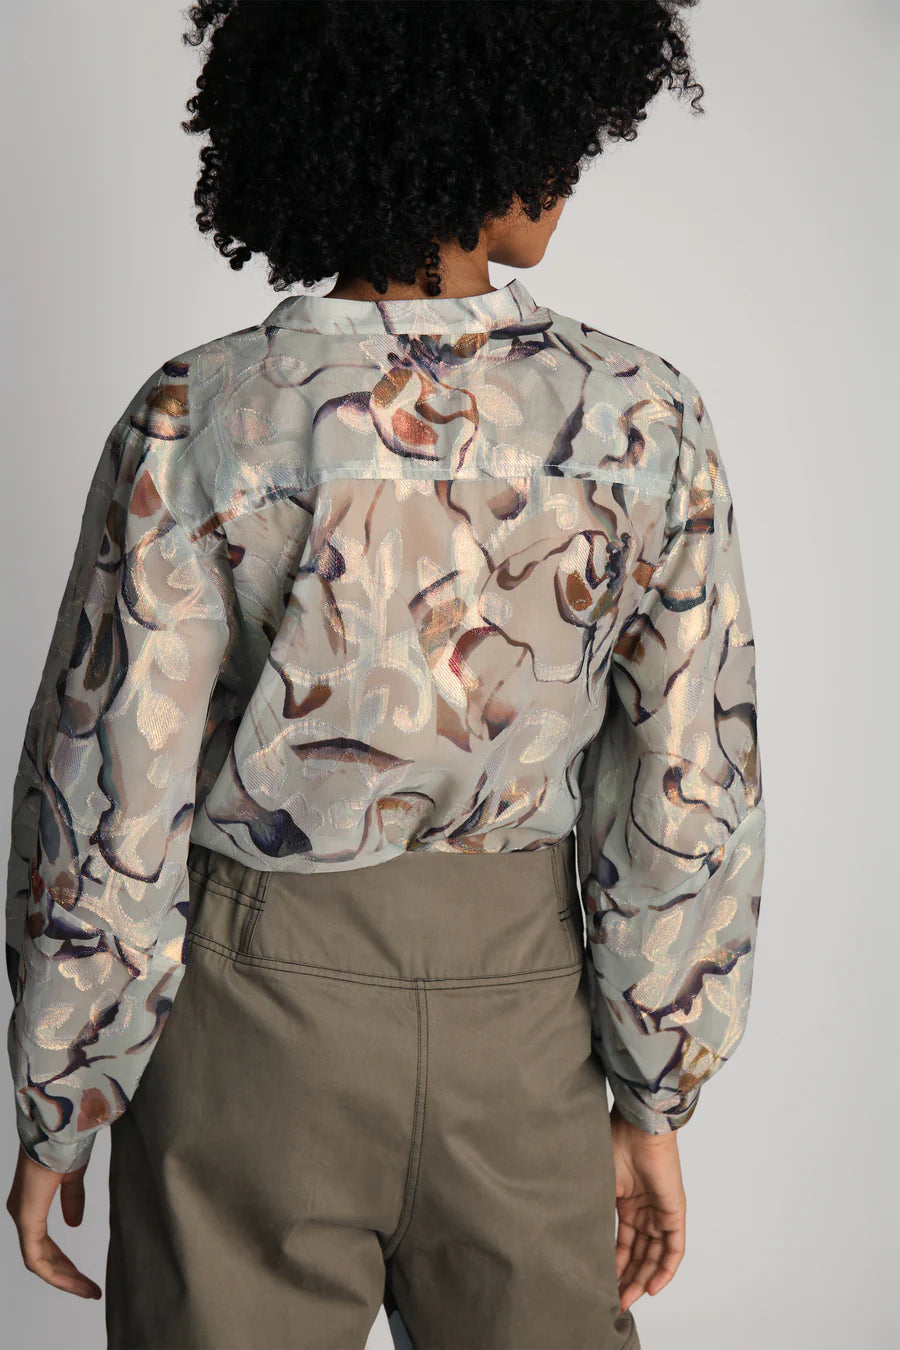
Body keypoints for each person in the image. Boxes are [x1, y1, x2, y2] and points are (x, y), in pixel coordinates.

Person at [4, 3, 766, 1348]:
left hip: (252, 1026)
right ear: (506, 124)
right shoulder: (643, 419)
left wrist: (65, 1093)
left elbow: (111, 790)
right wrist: (653, 1098)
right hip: (523, 1028)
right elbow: (687, 788)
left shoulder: (201, 416)